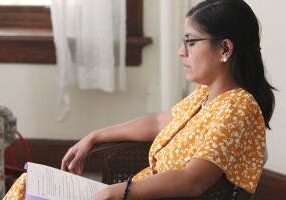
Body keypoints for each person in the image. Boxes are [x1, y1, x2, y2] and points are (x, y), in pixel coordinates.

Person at [3, 0, 276, 199]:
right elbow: (159, 121)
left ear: (225, 48)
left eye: (191, 42)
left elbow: (193, 181)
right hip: (128, 194)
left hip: (129, 196)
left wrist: (113, 193)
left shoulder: (238, 107)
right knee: (29, 185)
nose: (181, 52)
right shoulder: (206, 97)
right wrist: (94, 136)